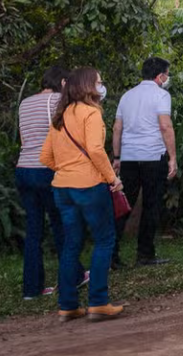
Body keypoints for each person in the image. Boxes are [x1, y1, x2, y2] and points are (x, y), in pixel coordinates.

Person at [39, 66, 123, 321]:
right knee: (104, 240)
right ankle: (98, 302)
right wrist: (112, 178)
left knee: (71, 244)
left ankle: (68, 305)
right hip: (89, 185)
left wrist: (66, 169)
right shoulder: (91, 113)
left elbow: (45, 157)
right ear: (88, 86)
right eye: (99, 82)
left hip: (62, 188)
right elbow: (96, 150)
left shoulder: (60, 115)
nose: (101, 86)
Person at [15, 66, 87, 299]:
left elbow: (24, 138)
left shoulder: (25, 103)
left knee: (34, 230)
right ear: (63, 82)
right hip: (47, 169)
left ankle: (32, 289)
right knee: (62, 224)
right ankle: (74, 277)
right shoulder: (59, 101)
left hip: (24, 169)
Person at [112, 57, 177, 268]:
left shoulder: (127, 96)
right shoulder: (161, 95)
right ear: (160, 76)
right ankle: (145, 254)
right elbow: (165, 126)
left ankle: (111, 253)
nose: (167, 78)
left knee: (124, 206)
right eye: (167, 74)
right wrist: (173, 158)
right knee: (151, 205)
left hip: (129, 157)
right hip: (152, 156)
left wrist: (117, 157)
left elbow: (117, 128)